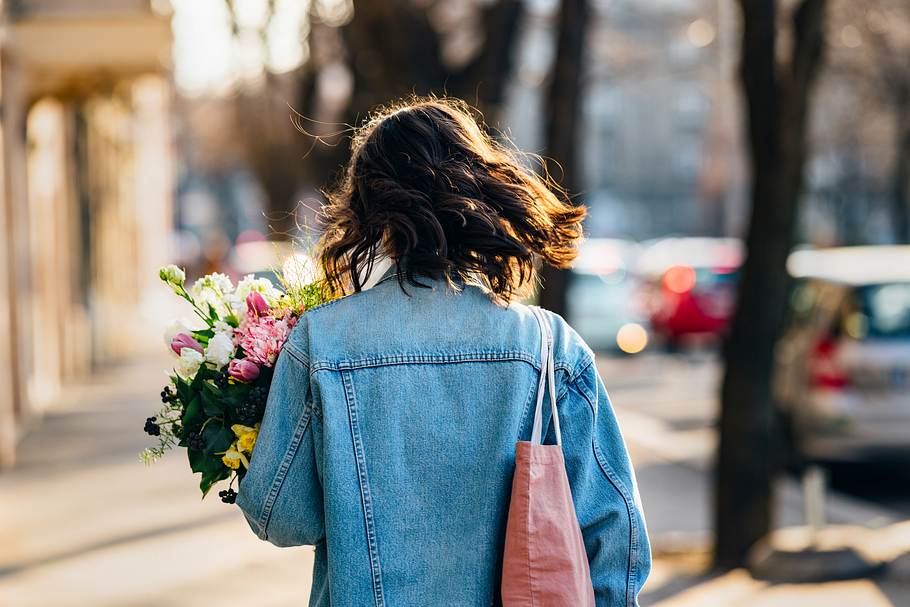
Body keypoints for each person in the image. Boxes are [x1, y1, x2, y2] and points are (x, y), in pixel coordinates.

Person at [236, 97, 651, 606]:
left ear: (371, 209)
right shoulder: (550, 348)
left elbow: (280, 517)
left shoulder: (321, 342)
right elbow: (615, 535)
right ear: (479, 187)